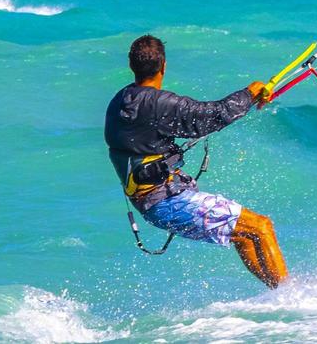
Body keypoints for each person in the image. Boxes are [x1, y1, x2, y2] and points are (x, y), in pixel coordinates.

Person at [104, 35, 288, 287]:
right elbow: (214, 115)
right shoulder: (159, 104)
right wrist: (250, 93)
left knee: (245, 236)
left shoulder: (119, 102)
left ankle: (279, 292)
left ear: (131, 65)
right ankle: (294, 294)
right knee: (261, 226)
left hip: (153, 204)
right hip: (168, 202)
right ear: (164, 66)